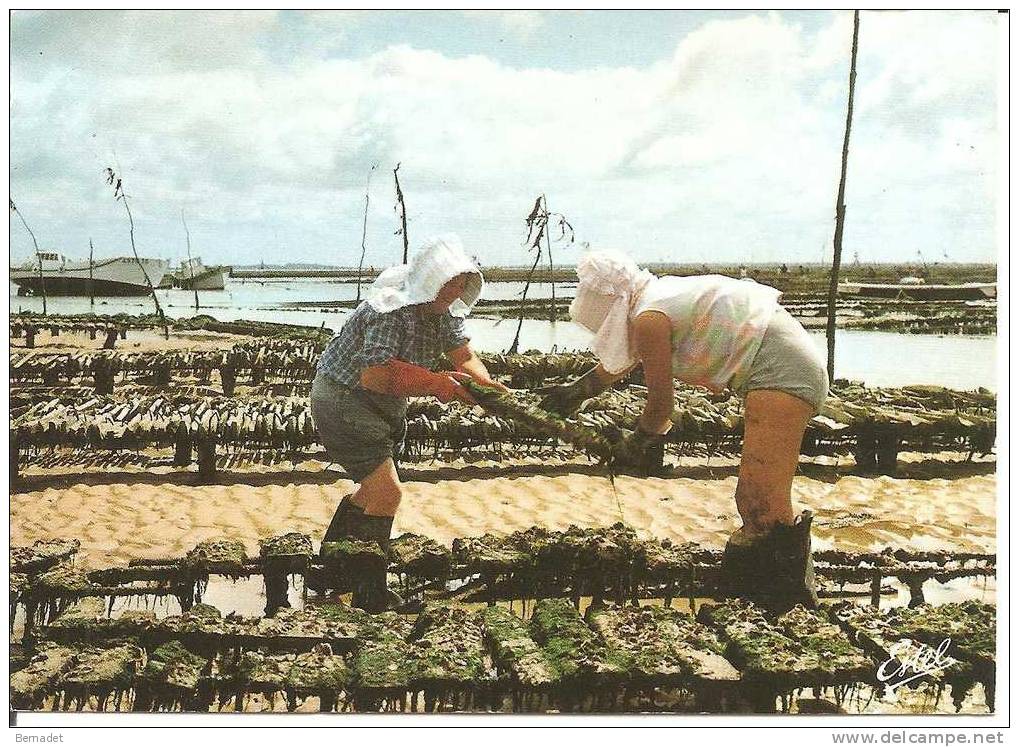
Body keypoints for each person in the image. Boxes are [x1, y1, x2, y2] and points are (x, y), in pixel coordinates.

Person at [538, 251, 829, 612]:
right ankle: (768, 606)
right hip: (780, 368)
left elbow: (661, 408)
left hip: (781, 372)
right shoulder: (656, 300)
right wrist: (575, 391)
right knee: (753, 503)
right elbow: (622, 363)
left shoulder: (649, 317)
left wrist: (637, 443)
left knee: (761, 506)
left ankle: (793, 610)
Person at [310, 235, 507, 611]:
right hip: (344, 399)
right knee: (388, 493)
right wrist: (436, 384)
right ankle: (370, 593)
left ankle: (328, 573)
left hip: (381, 406)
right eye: (450, 281)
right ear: (430, 281)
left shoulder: (443, 313)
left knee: (371, 493)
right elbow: (375, 375)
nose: (457, 289)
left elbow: (464, 356)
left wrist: (488, 389)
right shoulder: (391, 311)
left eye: (462, 283)